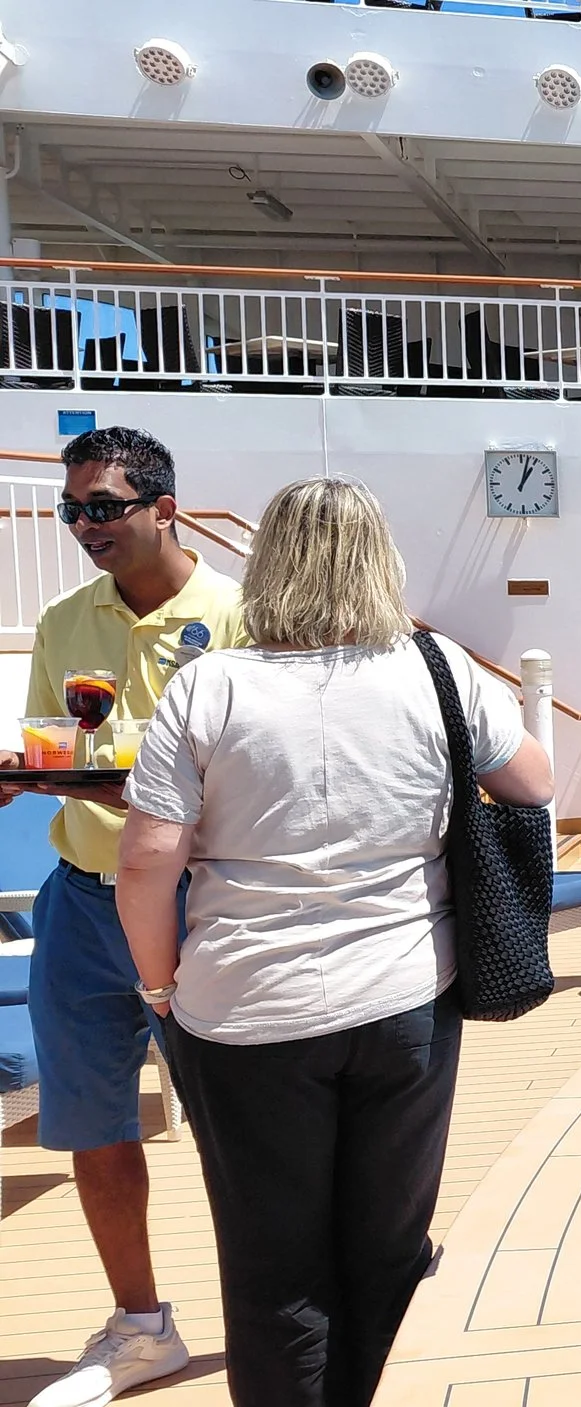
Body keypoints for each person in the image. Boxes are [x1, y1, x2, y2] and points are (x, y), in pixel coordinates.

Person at [116, 476, 554, 1407]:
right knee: (388, 1246)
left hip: (242, 1012)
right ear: (378, 560)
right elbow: (533, 781)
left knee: (274, 1262)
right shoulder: (437, 669)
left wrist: (160, 989)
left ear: (267, 563)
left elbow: (148, 861)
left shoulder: (209, 684)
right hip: (405, 999)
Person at [0, 427, 247, 1407]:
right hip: (80, 905)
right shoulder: (66, 620)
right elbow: (51, 739)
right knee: (94, 1126)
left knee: (253, 1126)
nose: (83, 526)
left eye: (104, 507)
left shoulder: (241, 616)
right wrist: (25, 774)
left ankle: (304, 1303)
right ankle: (143, 1329)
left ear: (164, 508)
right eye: (72, 510)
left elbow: (257, 773)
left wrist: (131, 782)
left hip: (207, 909)